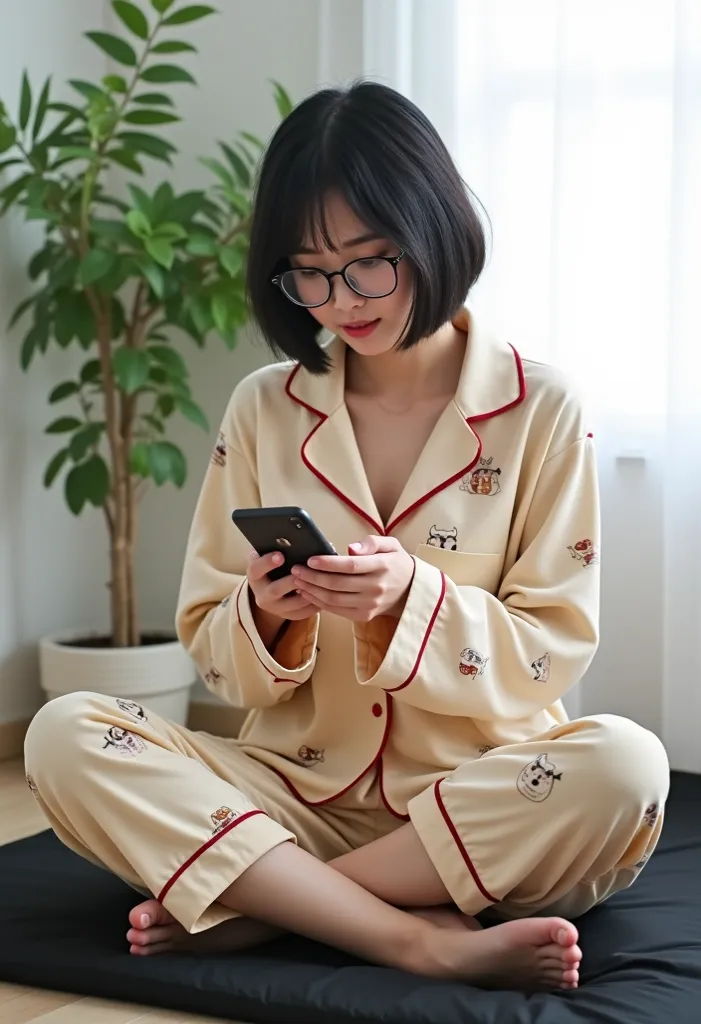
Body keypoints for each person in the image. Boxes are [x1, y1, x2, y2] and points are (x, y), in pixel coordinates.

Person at [24, 81, 670, 992]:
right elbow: (213, 650)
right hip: (291, 792)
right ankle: (413, 937)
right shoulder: (263, 406)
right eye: (311, 272)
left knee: (624, 765)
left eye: (371, 262)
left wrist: (414, 601)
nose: (342, 299)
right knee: (65, 732)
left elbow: (549, 652)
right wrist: (269, 614)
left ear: (433, 232)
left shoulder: (540, 407)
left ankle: (262, 911)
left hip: (472, 800)